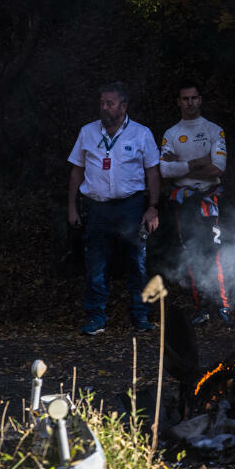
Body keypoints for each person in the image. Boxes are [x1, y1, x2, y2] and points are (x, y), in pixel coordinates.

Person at [67, 82, 161, 335]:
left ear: (123, 106)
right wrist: (72, 207)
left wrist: (152, 207)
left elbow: (153, 172)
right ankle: (96, 316)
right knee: (95, 263)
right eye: (102, 103)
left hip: (131, 206)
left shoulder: (141, 134)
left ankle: (141, 316)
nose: (104, 107)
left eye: (109, 103)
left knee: (136, 262)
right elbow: (77, 171)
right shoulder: (87, 132)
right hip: (96, 208)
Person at [159, 80, 231, 326]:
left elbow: (217, 168)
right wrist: (197, 163)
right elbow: (165, 171)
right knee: (191, 254)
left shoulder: (214, 130)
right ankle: (201, 308)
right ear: (178, 102)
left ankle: (222, 306)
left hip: (208, 200)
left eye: (193, 98)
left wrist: (183, 170)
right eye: (185, 99)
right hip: (184, 203)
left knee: (214, 252)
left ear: (200, 100)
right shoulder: (171, 134)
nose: (189, 102)